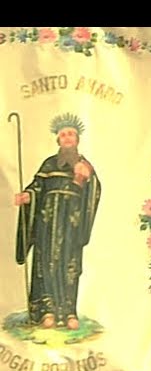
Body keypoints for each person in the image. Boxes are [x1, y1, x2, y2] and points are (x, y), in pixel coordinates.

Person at [14, 112, 102, 330]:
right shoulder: (49, 163)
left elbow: (93, 193)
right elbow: (37, 187)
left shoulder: (84, 166)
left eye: (71, 134)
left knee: (69, 266)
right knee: (45, 265)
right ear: (58, 140)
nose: (67, 138)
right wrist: (28, 196)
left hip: (71, 225)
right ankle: (48, 311)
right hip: (48, 223)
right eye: (63, 135)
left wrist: (85, 180)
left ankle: (68, 311)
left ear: (77, 140)